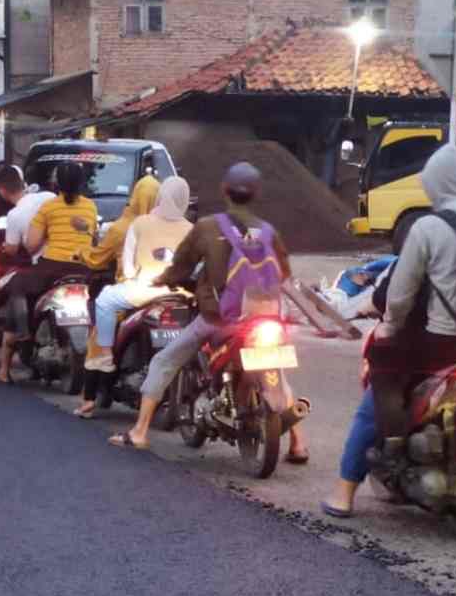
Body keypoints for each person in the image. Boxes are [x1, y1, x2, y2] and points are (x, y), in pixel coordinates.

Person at [322, 143, 456, 518]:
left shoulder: (429, 227)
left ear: (436, 186)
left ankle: (344, 490)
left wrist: (389, 331)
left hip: (443, 347)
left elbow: (398, 295)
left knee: (377, 396)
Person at [108, 162, 309, 462]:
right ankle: (298, 443)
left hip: (220, 320)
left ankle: (139, 431)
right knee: (275, 372)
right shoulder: (269, 232)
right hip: (267, 319)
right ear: (256, 194)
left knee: (165, 359)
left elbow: (180, 267)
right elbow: (284, 275)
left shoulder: (207, 227)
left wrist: (162, 280)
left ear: (225, 191)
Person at [76, 176, 193, 418]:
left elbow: (121, 267)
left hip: (140, 292)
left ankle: (91, 393)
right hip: (179, 294)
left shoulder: (131, 225)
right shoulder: (190, 228)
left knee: (102, 318)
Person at [0, 162, 97, 384]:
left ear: (57, 183)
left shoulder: (49, 207)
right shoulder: (90, 207)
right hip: (84, 269)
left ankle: (21, 335)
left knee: (17, 284)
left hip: (53, 268)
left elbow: (31, 246)